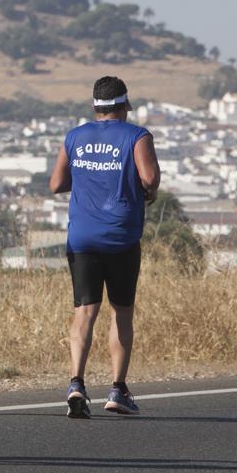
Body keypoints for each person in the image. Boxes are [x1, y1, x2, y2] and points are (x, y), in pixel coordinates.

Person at [48, 75, 159, 419]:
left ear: (95, 106)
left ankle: (76, 383)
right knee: (121, 311)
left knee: (85, 311)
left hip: (82, 237)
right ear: (124, 106)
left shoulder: (75, 137)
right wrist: (147, 193)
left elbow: (56, 184)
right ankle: (117, 389)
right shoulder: (137, 136)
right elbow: (150, 178)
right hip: (121, 236)